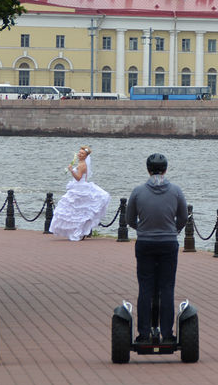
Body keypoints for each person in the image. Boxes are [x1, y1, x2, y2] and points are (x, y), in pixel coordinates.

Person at [126, 153, 188, 343]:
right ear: (166, 169)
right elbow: (184, 217)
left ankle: (144, 334)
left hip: (145, 243)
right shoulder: (176, 191)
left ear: (147, 169)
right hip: (168, 243)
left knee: (145, 287)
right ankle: (167, 334)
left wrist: (143, 229)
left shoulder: (137, 192)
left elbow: (129, 219)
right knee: (167, 287)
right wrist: (173, 231)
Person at [48, 146, 111, 241]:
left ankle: (77, 231)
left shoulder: (82, 165)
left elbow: (78, 178)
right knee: (75, 210)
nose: (79, 154)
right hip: (78, 186)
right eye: (79, 153)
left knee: (76, 210)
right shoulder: (80, 163)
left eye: (82, 153)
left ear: (85, 156)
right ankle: (76, 231)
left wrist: (71, 170)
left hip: (79, 187)